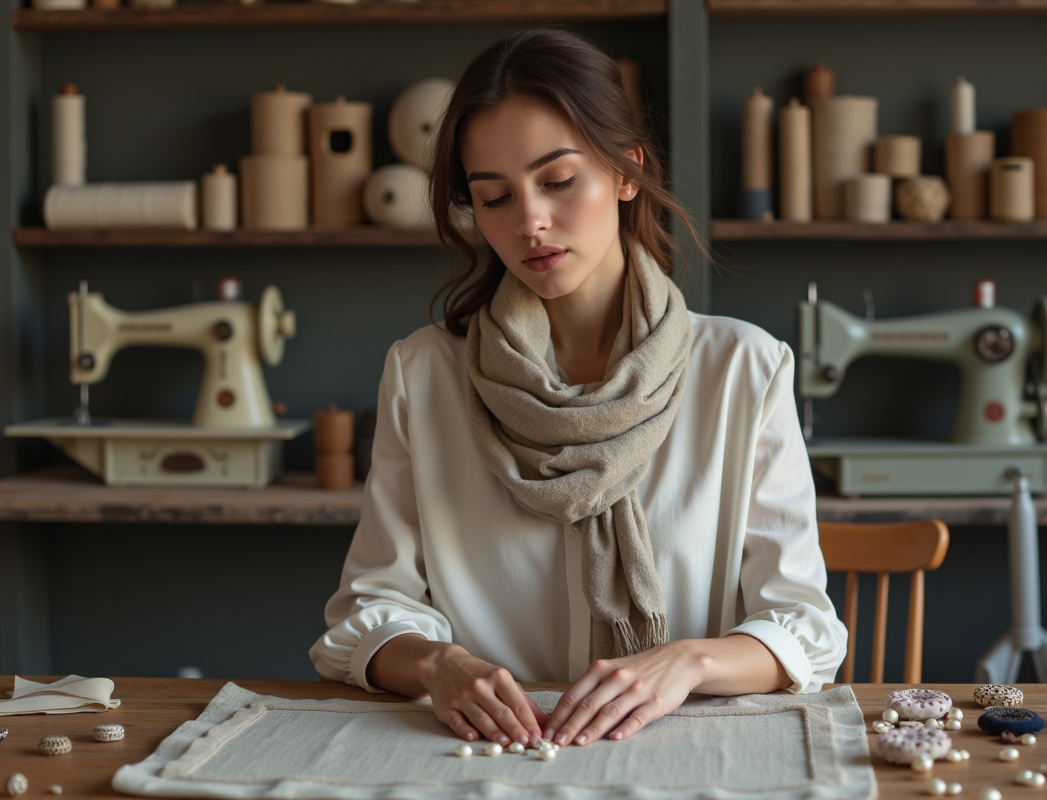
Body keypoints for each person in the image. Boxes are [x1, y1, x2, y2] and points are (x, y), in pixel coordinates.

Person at [310, 28, 846, 751]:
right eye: (493, 198)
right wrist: (440, 665)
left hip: (688, 754)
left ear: (628, 171)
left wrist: (683, 663)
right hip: (483, 761)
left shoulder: (744, 370)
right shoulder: (425, 374)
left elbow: (803, 629)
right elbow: (368, 611)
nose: (529, 221)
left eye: (558, 182)